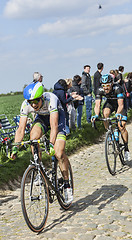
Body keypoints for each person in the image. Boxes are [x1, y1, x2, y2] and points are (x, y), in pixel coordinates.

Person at [11, 81, 73, 204]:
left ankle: (67, 185)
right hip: (42, 119)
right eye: (30, 102)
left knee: (59, 153)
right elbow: (21, 129)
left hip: (57, 118)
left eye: (36, 101)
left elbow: (54, 126)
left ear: (42, 97)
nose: (33, 105)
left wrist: (51, 143)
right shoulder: (26, 104)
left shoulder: (51, 99)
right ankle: (38, 168)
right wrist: (15, 147)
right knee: (33, 138)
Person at [91, 74, 131, 161]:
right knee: (105, 114)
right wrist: (96, 115)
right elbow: (97, 105)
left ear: (112, 84)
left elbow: (120, 105)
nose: (105, 88)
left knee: (122, 126)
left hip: (120, 104)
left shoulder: (118, 88)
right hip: (110, 103)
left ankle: (126, 149)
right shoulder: (100, 90)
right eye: (104, 85)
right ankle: (108, 132)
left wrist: (118, 114)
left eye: (107, 85)